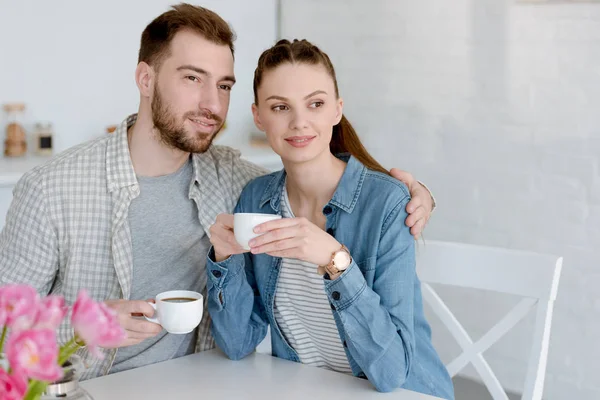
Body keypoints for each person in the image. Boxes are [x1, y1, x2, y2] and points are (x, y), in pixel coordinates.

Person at [0, 5, 435, 380]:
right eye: (193, 78)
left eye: (224, 85)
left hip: (204, 385)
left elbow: (316, 169)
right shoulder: (53, 190)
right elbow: (3, 326)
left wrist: (412, 193)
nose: (212, 103)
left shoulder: (237, 185)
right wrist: (81, 325)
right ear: (145, 79)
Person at [206, 39, 453, 399]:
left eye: (316, 104)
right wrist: (223, 260)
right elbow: (238, 342)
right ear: (258, 116)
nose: (299, 122)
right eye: (280, 107)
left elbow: (391, 372)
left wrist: (335, 261)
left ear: (337, 110)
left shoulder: (385, 204)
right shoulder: (256, 199)